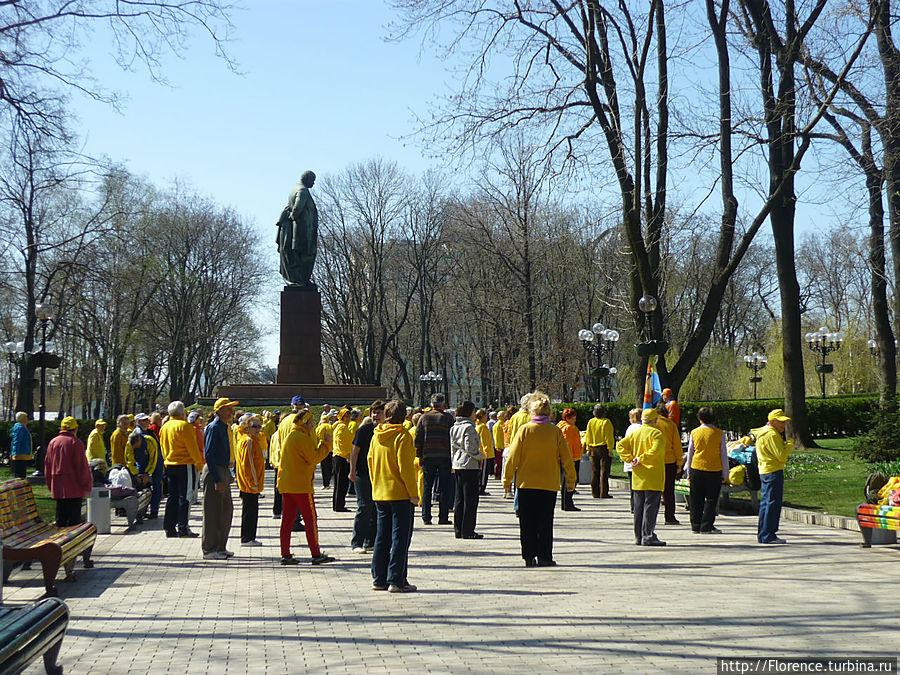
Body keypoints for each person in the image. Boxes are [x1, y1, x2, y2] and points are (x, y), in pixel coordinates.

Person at [503, 394, 576, 567]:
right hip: (549, 483)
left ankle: (528, 556)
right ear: (549, 412)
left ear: (531, 412)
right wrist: (571, 481)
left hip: (525, 483)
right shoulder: (555, 431)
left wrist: (507, 479)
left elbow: (512, 457)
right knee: (545, 521)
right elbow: (567, 458)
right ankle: (544, 556)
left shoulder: (524, 430)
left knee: (527, 522)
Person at [368, 399, 419, 592]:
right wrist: (413, 494)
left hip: (380, 492)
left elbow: (370, 462)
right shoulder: (402, 436)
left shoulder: (376, 435)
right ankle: (396, 579)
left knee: (382, 537)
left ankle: (379, 578)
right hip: (399, 493)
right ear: (404, 415)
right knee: (400, 537)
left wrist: (376, 485)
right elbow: (405, 468)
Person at [278, 408, 334, 565]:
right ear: (305, 423)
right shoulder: (301, 437)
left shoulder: (292, 435)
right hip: (301, 486)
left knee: (287, 521)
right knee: (310, 520)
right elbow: (314, 457)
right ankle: (316, 554)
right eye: (311, 423)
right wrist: (325, 445)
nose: (312, 426)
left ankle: (285, 554)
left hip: (288, 484)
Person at [616, 408, 666, 546]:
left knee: (638, 507)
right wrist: (641, 458)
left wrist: (630, 459)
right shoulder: (657, 434)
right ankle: (648, 535)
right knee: (650, 506)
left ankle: (638, 536)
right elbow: (655, 451)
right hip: (653, 475)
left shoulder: (636, 433)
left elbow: (620, 446)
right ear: (655, 420)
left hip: (638, 476)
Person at [161, 401, 205, 540]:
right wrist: (199, 463)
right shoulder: (184, 426)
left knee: (172, 496)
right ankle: (183, 528)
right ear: (182, 412)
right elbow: (192, 447)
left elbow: (162, 447)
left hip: (170, 463)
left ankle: (169, 528)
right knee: (185, 497)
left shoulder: (165, 426)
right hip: (185, 464)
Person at [202, 397, 238, 559]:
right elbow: (209, 454)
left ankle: (221, 546)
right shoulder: (214, 427)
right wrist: (217, 479)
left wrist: (228, 474)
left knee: (225, 510)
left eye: (231, 408)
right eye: (228, 408)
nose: (231, 411)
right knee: (213, 511)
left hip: (223, 469)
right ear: (219, 411)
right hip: (214, 471)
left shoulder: (225, 427)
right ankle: (210, 549)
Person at [682, 406, 728, 534]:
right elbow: (723, 454)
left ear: (699, 418)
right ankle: (707, 525)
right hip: (714, 469)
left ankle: (695, 524)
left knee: (696, 498)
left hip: (697, 467)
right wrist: (726, 473)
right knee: (712, 499)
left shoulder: (694, 432)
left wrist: (688, 472)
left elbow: (690, 452)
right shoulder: (719, 433)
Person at [752, 409, 794, 544]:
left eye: (785, 422)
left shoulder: (764, 433)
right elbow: (781, 456)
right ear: (772, 421)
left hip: (765, 470)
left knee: (766, 503)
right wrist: (789, 445)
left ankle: (763, 533)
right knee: (772, 503)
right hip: (773, 471)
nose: (784, 425)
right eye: (781, 422)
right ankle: (769, 535)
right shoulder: (772, 435)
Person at [350, 400, 385, 554]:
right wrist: (352, 471)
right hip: (363, 475)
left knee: (377, 509)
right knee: (364, 507)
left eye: (379, 412)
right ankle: (357, 542)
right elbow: (354, 452)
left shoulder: (386, 431)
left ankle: (370, 542)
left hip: (380, 476)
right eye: (374, 412)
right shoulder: (364, 430)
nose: (375, 415)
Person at [414, 393, 455, 525]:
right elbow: (453, 439)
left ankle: (426, 516)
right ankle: (443, 517)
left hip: (428, 456)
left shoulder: (423, 417)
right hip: (445, 456)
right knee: (444, 487)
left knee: (427, 487)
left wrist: (419, 455)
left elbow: (418, 438)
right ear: (443, 404)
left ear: (431, 404)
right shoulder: (448, 418)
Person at [277, 170, 319, 288]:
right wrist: (293, 217)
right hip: (302, 230)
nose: (313, 183)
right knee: (306, 255)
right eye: (312, 181)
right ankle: (301, 279)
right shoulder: (302, 191)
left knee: (301, 255)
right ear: (307, 179)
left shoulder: (295, 189)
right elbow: (297, 207)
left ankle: (302, 279)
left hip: (298, 229)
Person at [451, 401, 484, 540]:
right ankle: (468, 530)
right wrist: (480, 455)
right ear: (470, 412)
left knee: (459, 498)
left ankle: (458, 529)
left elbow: (452, 446)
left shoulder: (454, 427)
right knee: (470, 500)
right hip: (469, 464)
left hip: (458, 463)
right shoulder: (469, 428)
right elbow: (470, 447)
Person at [234, 413, 266, 546]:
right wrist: (253, 482)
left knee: (251, 510)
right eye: (255, 426)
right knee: (250, 511)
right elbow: (248, 464)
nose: (258, 429)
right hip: (250, 484)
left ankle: (249, 537)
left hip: (252, 483)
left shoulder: (253, 440)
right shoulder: (249, 441)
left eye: (259, 426)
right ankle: (247, 538)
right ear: (247, 428)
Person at [655, 402, 684, 526]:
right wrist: (679, 462)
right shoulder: (671, 425)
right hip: (669, 461)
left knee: (654, 490)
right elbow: (677, 445)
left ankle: (651, 517)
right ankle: (670, 517)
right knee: (669, 491)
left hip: (655, 461)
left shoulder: (653, 425)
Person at [585, 404, 615, 499]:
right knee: (604, 471)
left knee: (595, 471)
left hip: (593, 448)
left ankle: (595, 492)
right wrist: (610, 449)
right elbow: (609, 437)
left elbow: (588, 436)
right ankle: (604, 492)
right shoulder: (606, 422)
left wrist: (588, 448)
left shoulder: (591, 422)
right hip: (603, 448)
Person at [557, 408, 582, 512]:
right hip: (572, 457)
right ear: (568, 418)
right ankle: (567, 502)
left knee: (565, 480)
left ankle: (566, 502)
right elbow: (567, 444)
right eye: (573, 418)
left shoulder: (560, 426)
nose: (575, 420)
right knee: (571, 480)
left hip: (567, 457)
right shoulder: (568, 428)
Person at [331, 407, 353, 512]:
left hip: (338, 456)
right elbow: (343, 443)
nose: (348, 418)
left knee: (338, 483)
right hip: (342, 457)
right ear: (341, 417)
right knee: (341, 483)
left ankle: (337, 504)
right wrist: (348, 455)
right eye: (346, 416)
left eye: (349, 416)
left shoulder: (338, 426)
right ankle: (339, 505)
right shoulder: (343, 427)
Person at [623, 408, 642, 513]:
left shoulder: (630, 428)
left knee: (632, 485)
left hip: (631, 460)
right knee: (639, 487)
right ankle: (638, 505)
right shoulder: (642, 428)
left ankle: (633, 506)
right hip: (640, 460)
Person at [475, 409, 494, 496]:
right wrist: (487, 452)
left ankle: (479, 487)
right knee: (483, 473)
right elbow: (484, 440)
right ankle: (481, 488)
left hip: (480, 452)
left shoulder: (477, 425)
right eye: (486, 415)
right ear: (482, 416)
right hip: (484, 453)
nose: (487, 417)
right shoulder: (482, 427)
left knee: (481, 471)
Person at [10, 412, 33, 478]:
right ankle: (19, 486)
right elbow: (17, 441)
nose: (27, 419)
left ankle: (20, 486)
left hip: (22, 453)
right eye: (26, 417)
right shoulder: (20, 428)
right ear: (22, 418)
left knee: (21, 473)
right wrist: (16, 452)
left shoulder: (22, 427)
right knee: (20, 474)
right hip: (20, 454)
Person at [315, 412, 334, 489]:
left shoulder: (318, 428)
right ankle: (330, 482)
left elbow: (315, 439)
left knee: (324, 468)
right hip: (331, 449)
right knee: (330, 467)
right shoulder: (331, 427)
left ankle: (325, 484)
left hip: (322, 450)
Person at [492, 410, 507, 480]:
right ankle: (497, 475)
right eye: (503, 415)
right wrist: (497, 446)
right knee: (499, 462)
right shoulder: (498, 425)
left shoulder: (502, 423)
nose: (505, 416)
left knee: (501, 462)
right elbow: (496, 437)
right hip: (500, 446)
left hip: (502, 445)